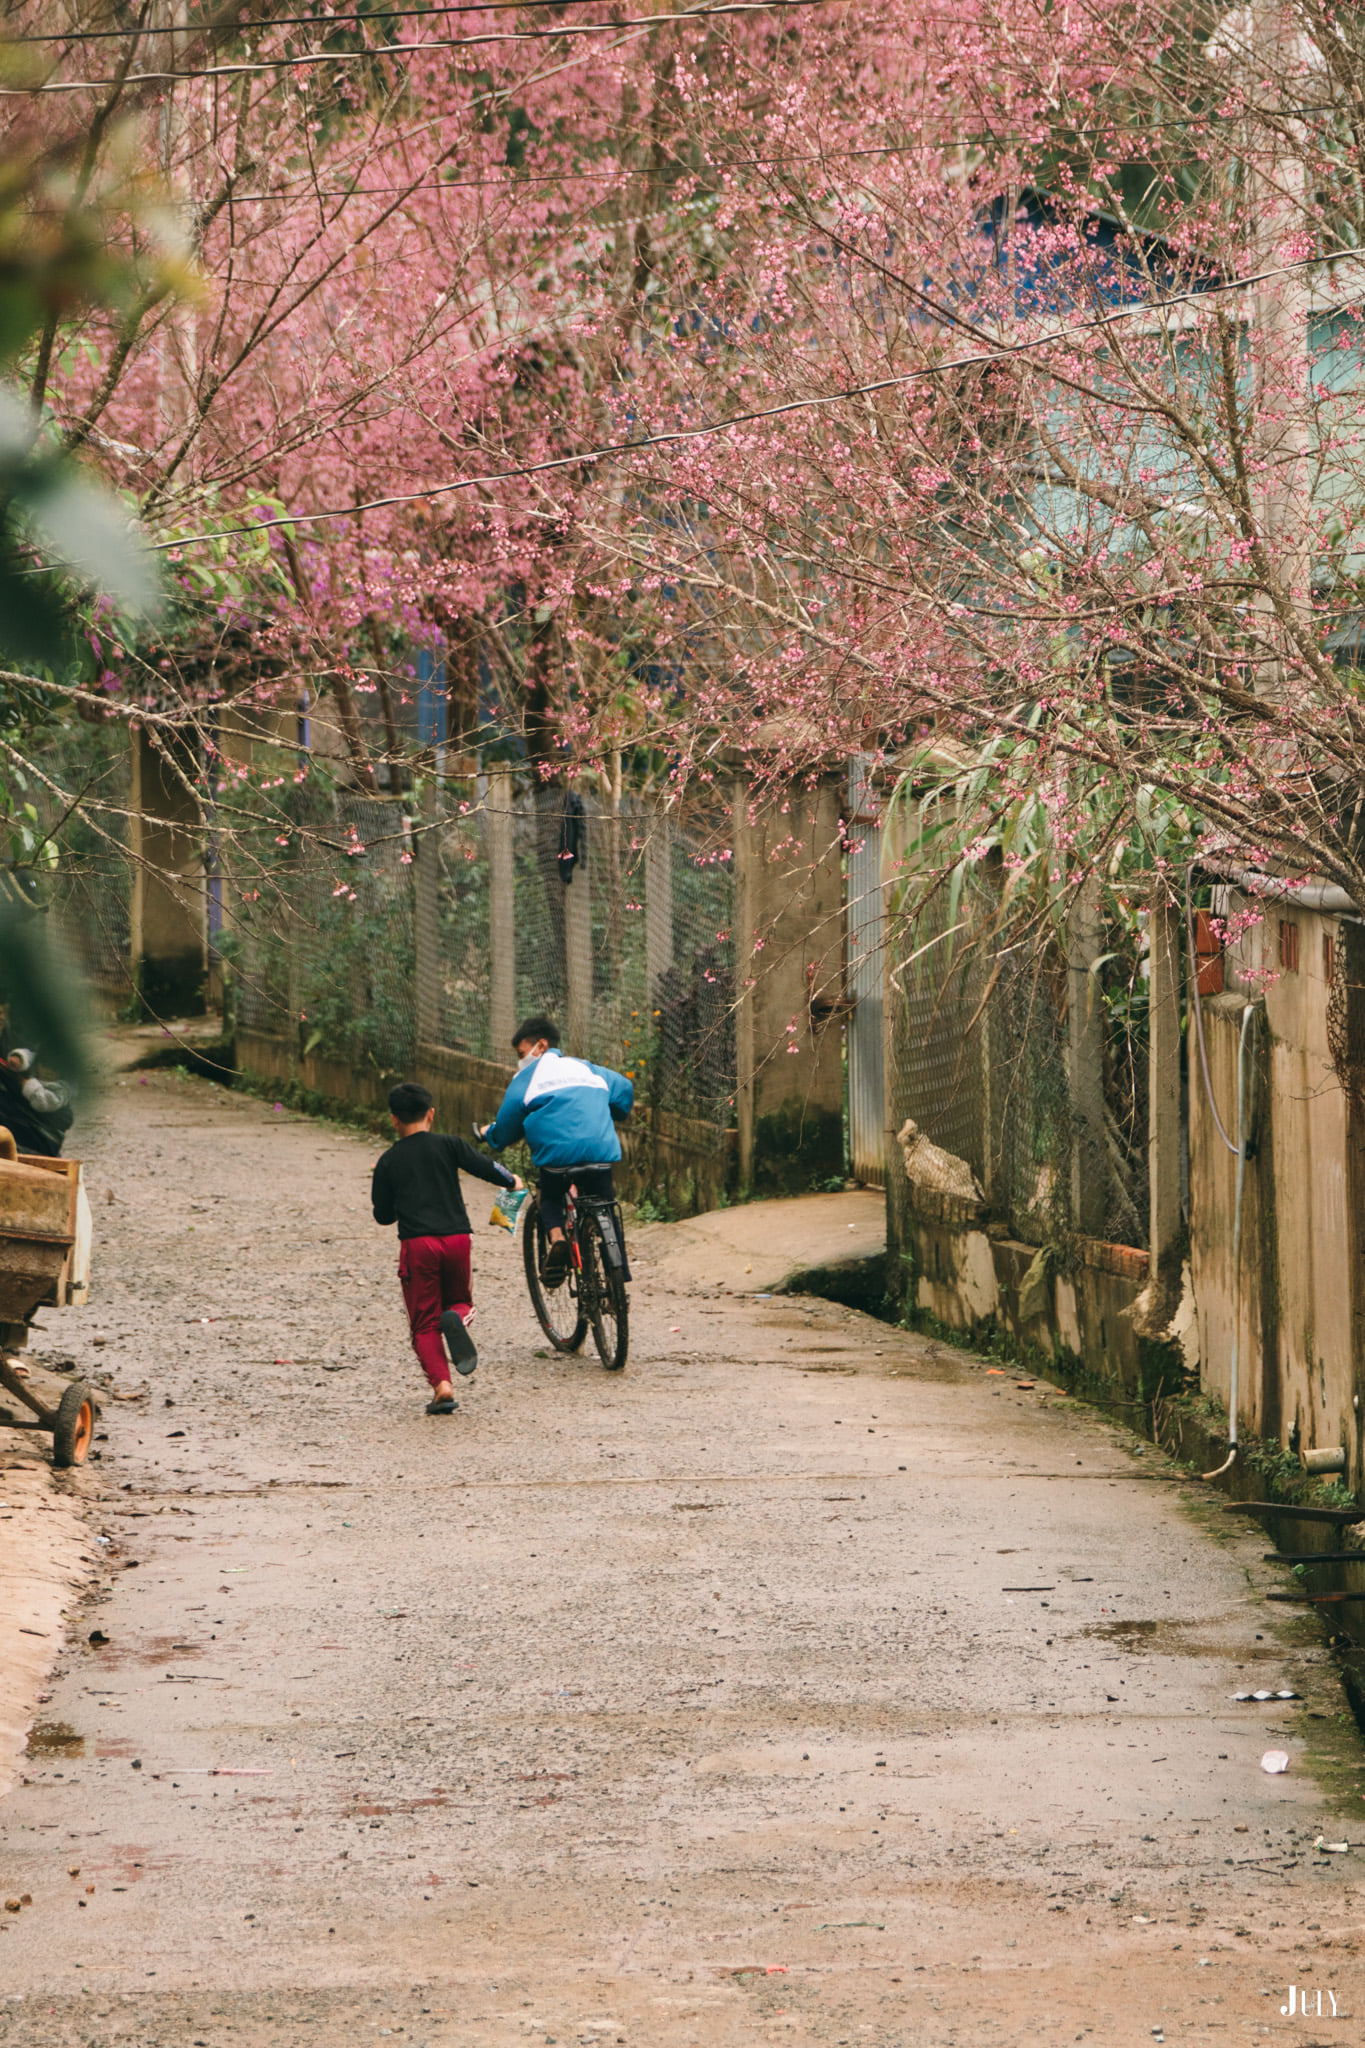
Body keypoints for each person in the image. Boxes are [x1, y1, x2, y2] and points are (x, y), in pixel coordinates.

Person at [371, 1081, 522, 1416]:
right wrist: (512, 1181)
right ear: (431, 1114)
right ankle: (458, 1317)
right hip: (457, 1239)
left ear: (394, 1119)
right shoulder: (450, 1145)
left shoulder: (388, 1161)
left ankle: (443, 1387)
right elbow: (487, 1168)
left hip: (418, 1245)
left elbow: (382, 1216)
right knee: (460, 1300)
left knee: (424, 1324)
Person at [478, 1016, 633, 1285]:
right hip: (601, 1153)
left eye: (522, 1053)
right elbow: (624, 1090)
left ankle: (557, 1238)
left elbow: (504, 1129)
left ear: (541, 1046)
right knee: (605, 1203)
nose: (521, 1059)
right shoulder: (587, 1068)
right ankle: (618, 1277)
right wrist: (616, 1112)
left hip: (557, 1162)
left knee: (549, 1194)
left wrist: (488, 1135)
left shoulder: (526, 1079)